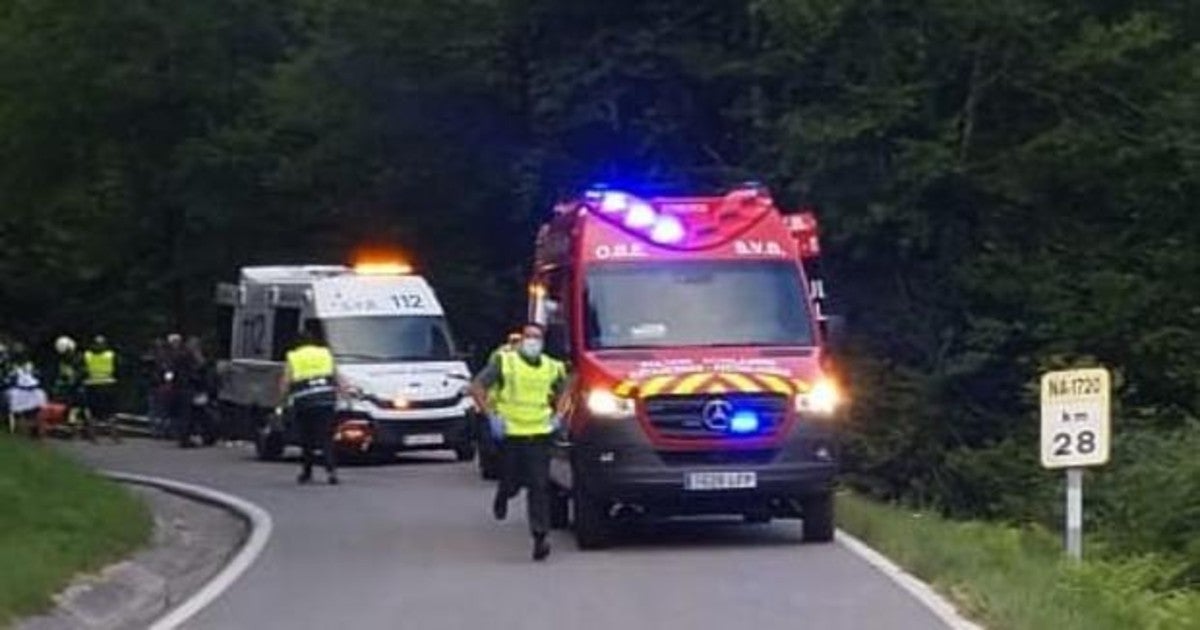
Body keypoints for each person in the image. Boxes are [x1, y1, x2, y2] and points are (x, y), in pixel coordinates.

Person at [469, 322, 567, 561]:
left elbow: (566, 391)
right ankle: (504, 495)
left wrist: (559, 416)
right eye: (528, 337)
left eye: (537, 337)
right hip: (511, 433)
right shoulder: (505, 362)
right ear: (521, 339)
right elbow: (477, 386)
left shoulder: (552, 367)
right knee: (512, 479)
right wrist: (490, 416)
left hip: (539, 433)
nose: (533, 341)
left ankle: (540, 537)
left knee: (538, 485)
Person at [280, 321, 339, 485]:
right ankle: (331, 471)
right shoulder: (325, 354)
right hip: (326, 400)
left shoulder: (293, 356)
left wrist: (281, 402)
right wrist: (343, 396)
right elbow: (336, 377)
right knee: (326, 437)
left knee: (307, 439)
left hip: (305, 402)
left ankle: (307, 472)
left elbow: (285, 382)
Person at [164, 333, 200, 447]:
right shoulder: (184, 354)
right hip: (183, 386)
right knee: (184, 413)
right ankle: (184, 438)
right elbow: (195, 366)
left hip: (180, 386)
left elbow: (169, 371)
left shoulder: (171, 355)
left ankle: (183, 437)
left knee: (183, 413)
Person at [83, 335, 121, 442]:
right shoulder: (110, 355)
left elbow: (82, 369)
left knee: (94, 412)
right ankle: (114, 435)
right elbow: (118, 369)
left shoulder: (87, 355)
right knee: (110, 412)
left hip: (93, 385)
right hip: (107, 385)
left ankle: (93, 435)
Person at [50, 336, 89, 440]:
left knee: (80, 407)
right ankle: (74, 428)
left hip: (80, 386)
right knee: (72, 407)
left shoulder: (79, 358)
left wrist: (74, 379)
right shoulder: (64, 360)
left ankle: (85, 428)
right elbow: (63, 373)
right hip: (71, 387)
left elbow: (82, 372)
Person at [6, 343, 47, 437]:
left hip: (33, 391)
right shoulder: (14, 366)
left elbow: (36, 379)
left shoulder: (30, 366)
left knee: (39, 402)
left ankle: (36, 428)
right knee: (12, 402)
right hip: (19, 391)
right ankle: (17, 425)